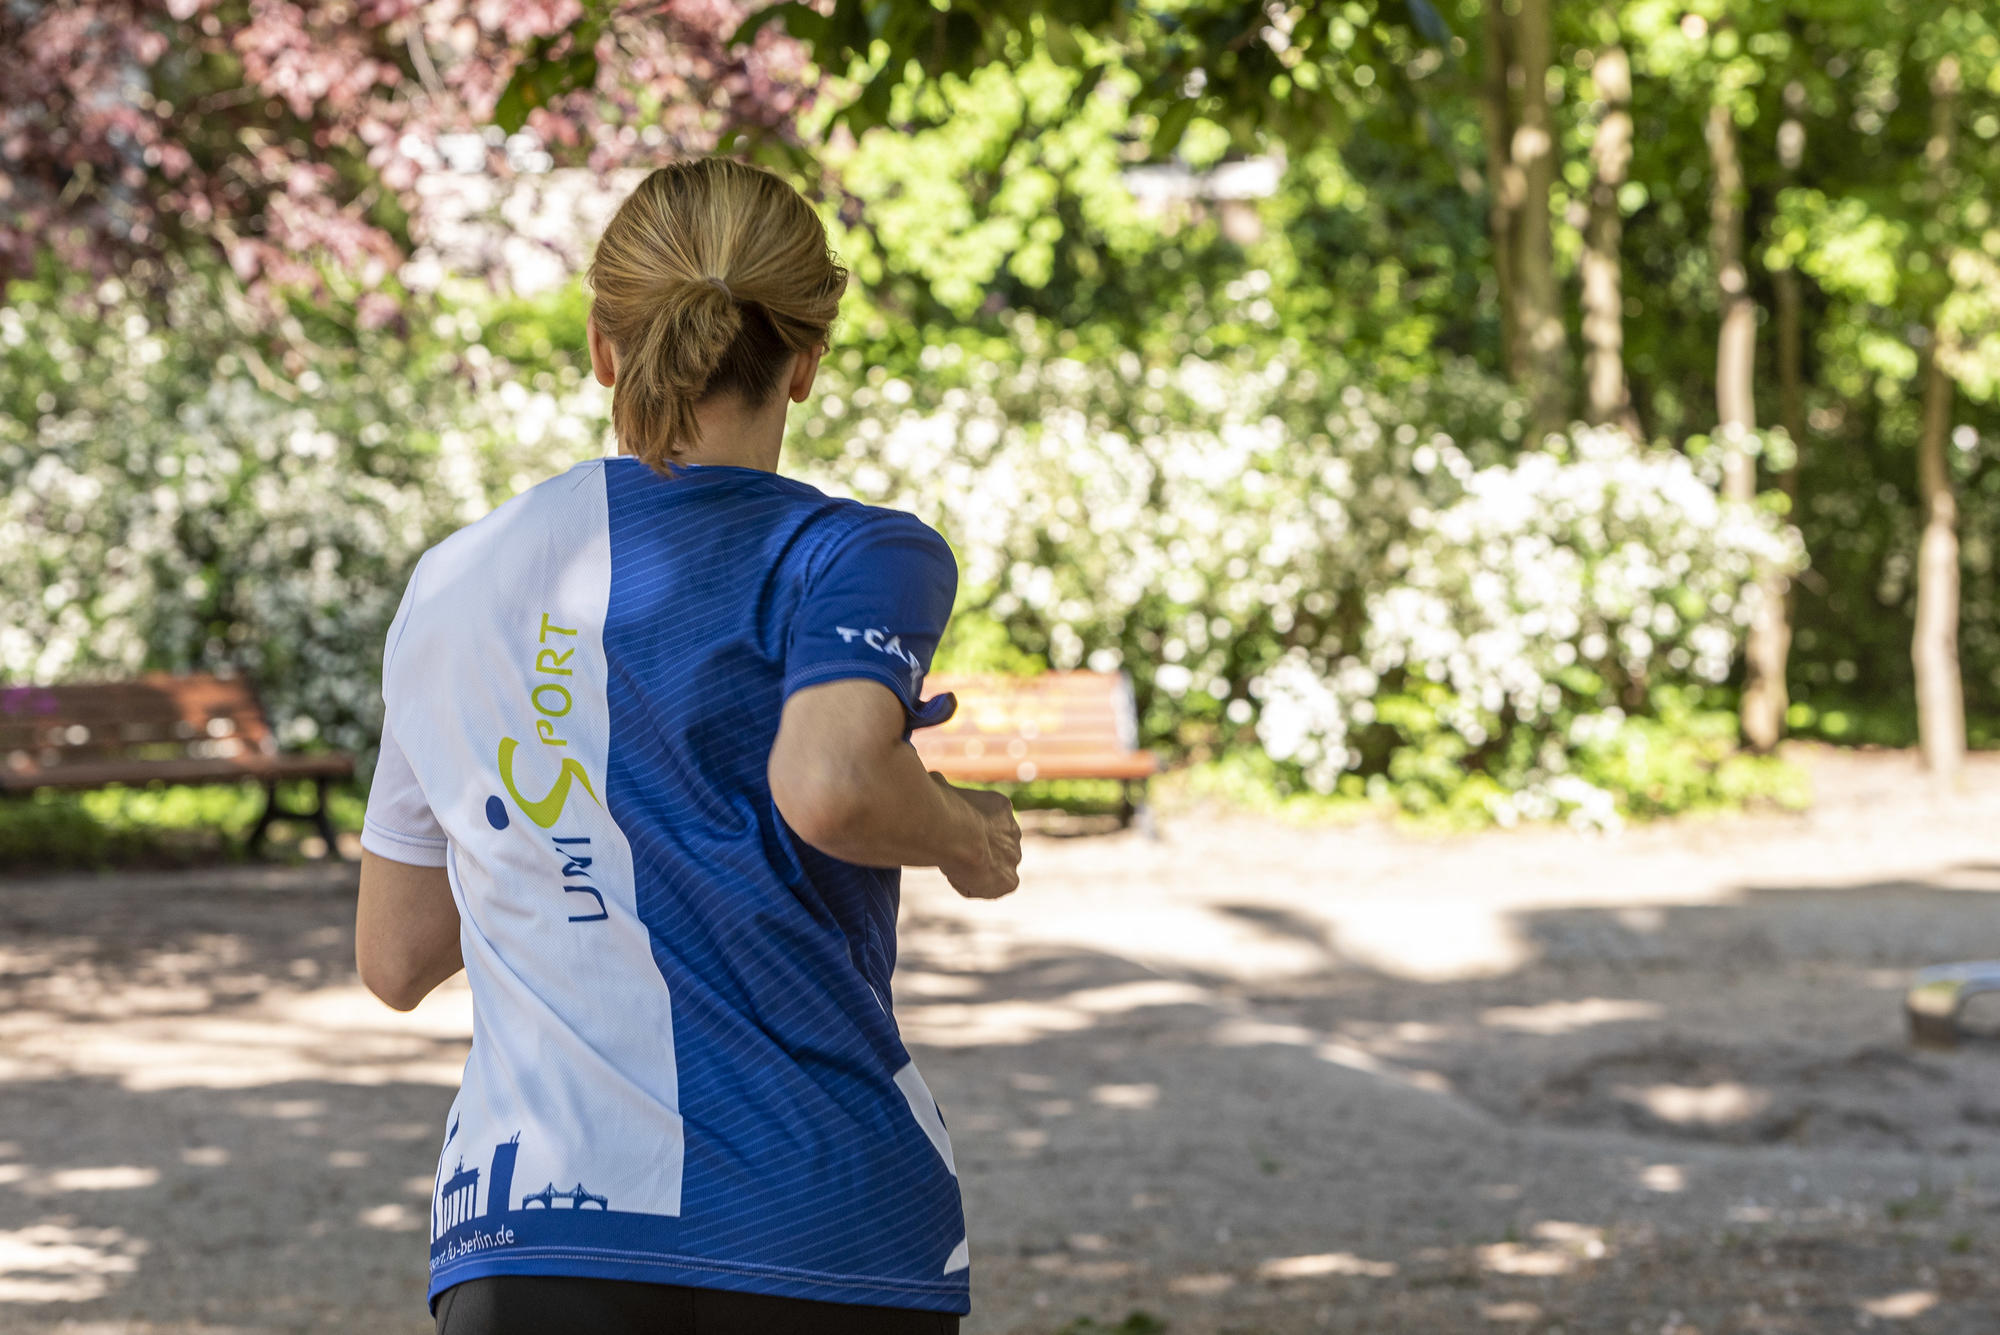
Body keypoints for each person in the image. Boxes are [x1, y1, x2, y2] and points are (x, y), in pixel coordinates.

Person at [353, 158, 1022, 1335]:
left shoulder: (453, 582)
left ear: (603, 346)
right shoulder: (854, 555)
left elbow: (398, 956)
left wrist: (564, 780)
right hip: (812, 1223)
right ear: (806, 359)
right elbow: (829, 781)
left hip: (524, 1242)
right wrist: (966, 832)